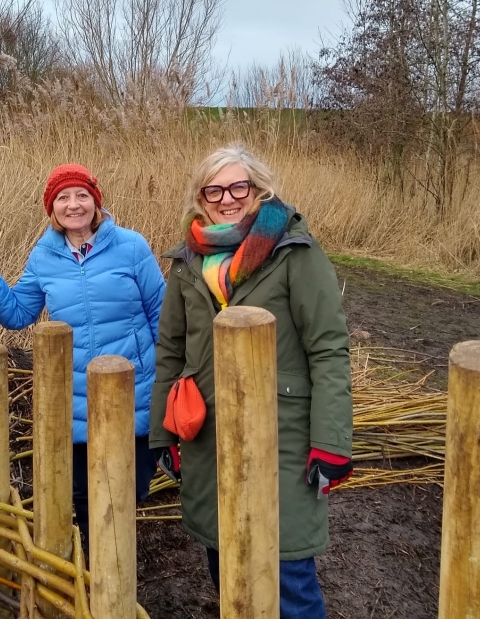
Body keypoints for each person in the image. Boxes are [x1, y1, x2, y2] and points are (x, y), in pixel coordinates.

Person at [149, 144, 353, 619]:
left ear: (258, 189)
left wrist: (332, 442)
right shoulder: (186, 261)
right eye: (214, 189)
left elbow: (328, 348)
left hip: (281, 435)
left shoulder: (293, 250)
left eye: (238, 186)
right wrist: (165, 434)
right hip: (208, 436)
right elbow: (171, 352)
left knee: (287, 578)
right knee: (227, 570)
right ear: (200, 196)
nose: (227, 198)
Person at [0, 163, 165, 540]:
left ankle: (117, 574)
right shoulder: (44, 256)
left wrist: (168, 381)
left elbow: (161, 315)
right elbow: (19, 315)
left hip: (135, 392)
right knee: (84, 498)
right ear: (52, 208)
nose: (73, 205)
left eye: (82, 195)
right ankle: (93, 579)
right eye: (63, 198)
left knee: (128, 492)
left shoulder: (131, 246)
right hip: (78, 400)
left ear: (95, 202)